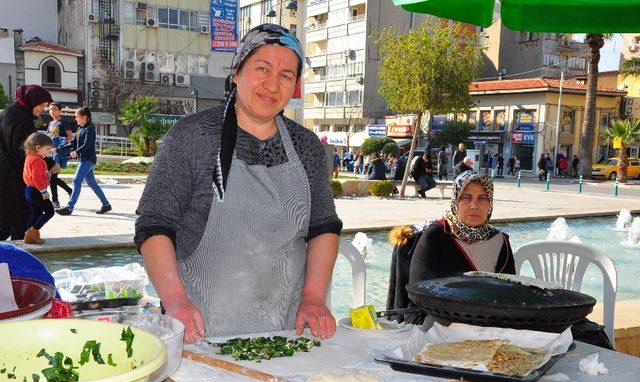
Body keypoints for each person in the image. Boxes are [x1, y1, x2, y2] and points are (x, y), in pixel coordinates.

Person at [135, 24, 342, 343]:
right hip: (200, 331)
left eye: (286, 75)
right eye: (262, 68)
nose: (272, 84)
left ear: (295, 87)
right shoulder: (191, 138)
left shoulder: (307, 146)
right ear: (237, 72)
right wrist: (176, 302)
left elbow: (323, 228)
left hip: (287, 332)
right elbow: (154, 227)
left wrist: (314, 299)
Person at [386, 170, 515, 324]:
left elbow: (510, 295)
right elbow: (419, 294)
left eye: (482, 198)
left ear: (490, 203)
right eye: (466, 197)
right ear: (455, 201)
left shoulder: (500, 242)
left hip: (487, 324)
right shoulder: (435, 236)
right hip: (435, 323)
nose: (474, 205)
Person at [0, 84, 53, 240]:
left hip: (6, 172)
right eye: (42, 105)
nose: (43, 109)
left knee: (6, 220)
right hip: (14, 175)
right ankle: (20, 254)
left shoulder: (12, 111)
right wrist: (49, 163)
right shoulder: (22, 119)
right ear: (32, 100)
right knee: (21, 216)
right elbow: (25, 148)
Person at [56, 107, 112, 216]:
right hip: (83, 159)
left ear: (85, 117)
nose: (76, 119)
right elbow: (73, 143)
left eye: (77, 117)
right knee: (92, 184)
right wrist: (59, 149)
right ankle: (106, 205)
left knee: (76, 181)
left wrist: (76, 152)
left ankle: (69, 208)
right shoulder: (80, 128)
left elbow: (87, 144)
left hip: (88, 159)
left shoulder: (90, 128)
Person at [21, 133, 56, 244]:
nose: (48, 152)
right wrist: (43, 191)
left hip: (29, 190)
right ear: (38, 148)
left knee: (36, 213)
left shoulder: (29, 157)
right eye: (47, 149)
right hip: (37, 190)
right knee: (50, 211)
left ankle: (28, 235)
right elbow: (36, 177)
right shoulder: (38, 160)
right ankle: (32, 232)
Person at [46, 102, 74, 209]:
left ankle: (55, 201)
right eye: (50, 109)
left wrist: (60, 147)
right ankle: (69, 191)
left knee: (53, 177)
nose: (52, 111)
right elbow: (49, 138)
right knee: (52, 177)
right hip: (50, 153)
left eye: (54, 109)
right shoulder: (50, 124)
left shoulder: (63, 122)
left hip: (58, 153)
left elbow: (70, 136)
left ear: (59, 110)